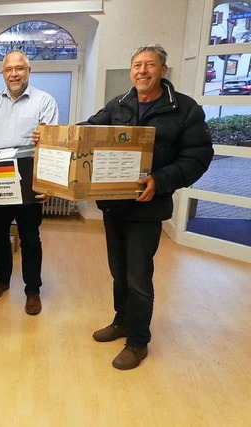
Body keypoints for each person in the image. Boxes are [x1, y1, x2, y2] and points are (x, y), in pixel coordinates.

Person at [81, 44, 213, 369]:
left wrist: (160, 180)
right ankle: (122, 320)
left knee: (139, 276)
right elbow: (88, 130)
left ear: (163, 70)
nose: (142, 70)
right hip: (115, 206)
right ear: (131, 71)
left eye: (149, 65)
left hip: (147, 209)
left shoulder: (185, 110)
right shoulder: (119, 104)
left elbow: (198, 156)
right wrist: (55, 136)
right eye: (137, 65)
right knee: (118, 271)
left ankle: (138, 342)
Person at [0, 50, 58, 316]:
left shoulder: (45, 101)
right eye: (9, 69)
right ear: (3, 73)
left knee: (30, 237)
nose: (14, 74)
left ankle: (33, 290)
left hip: (29, 181)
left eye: (19, 68)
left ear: (28, 71)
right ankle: (1, 280)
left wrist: (47, 184)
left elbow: (52, 145)